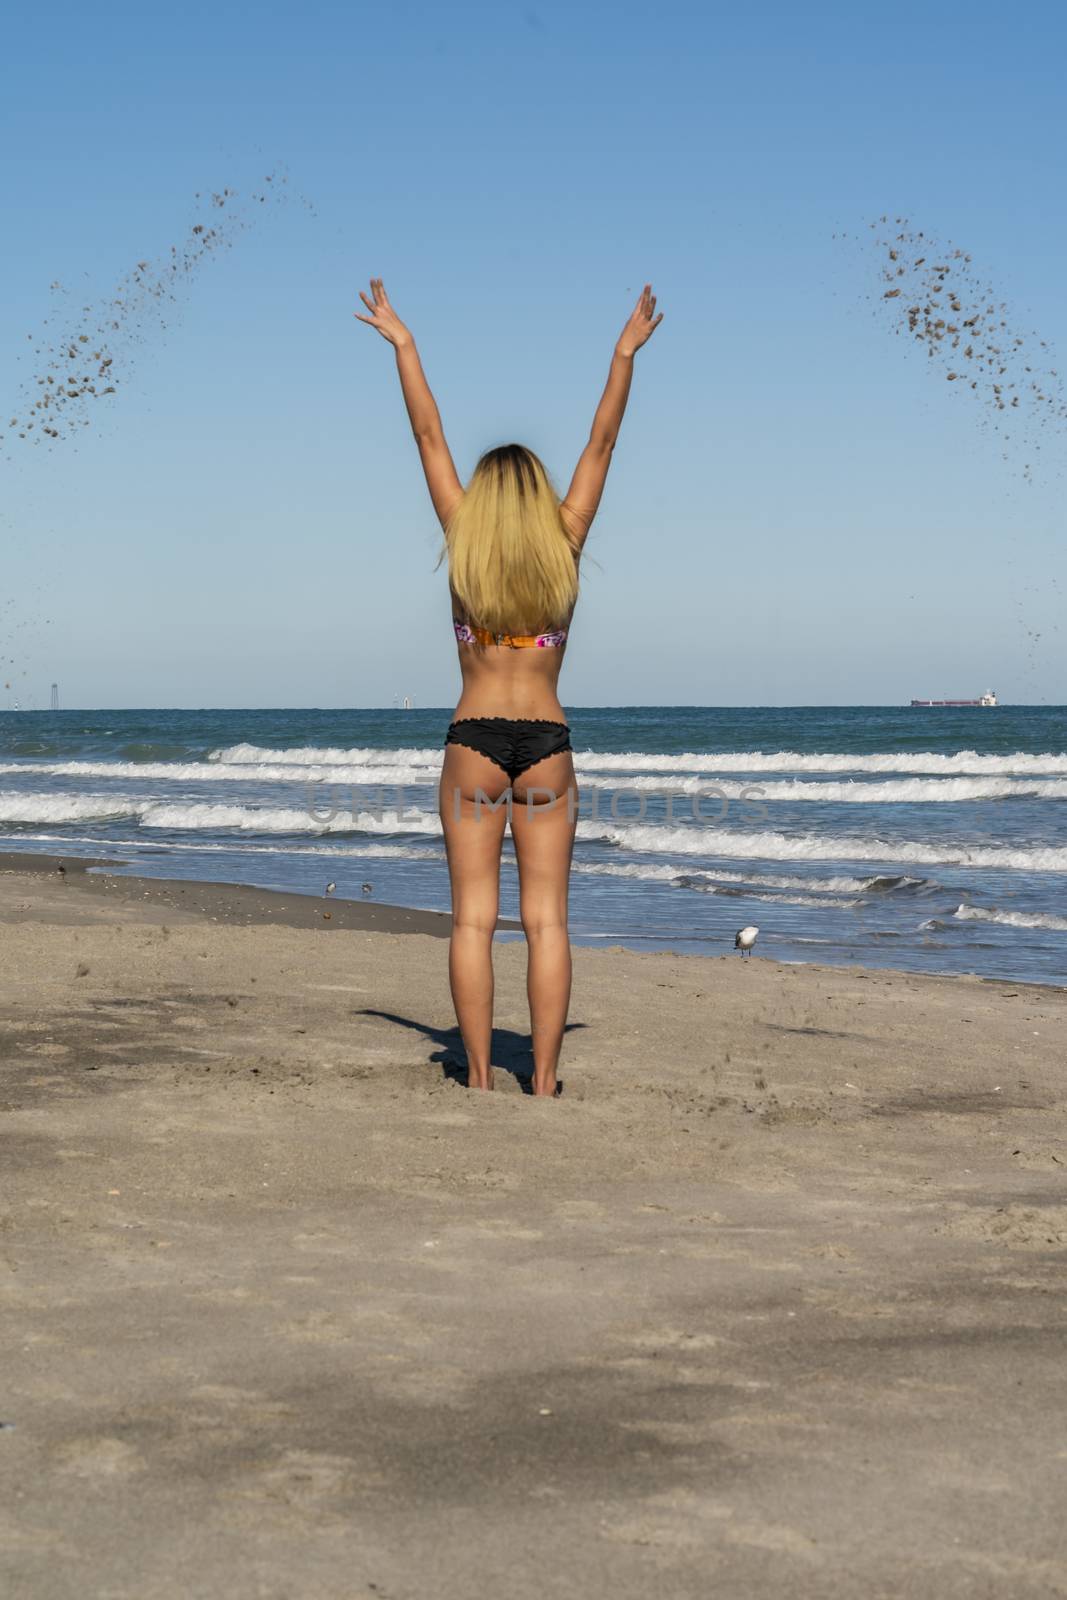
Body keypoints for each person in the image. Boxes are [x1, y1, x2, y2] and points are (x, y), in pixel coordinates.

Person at [355, 278, 662, 1094]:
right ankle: (546, 1078)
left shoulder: (463, 538)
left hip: (473, 744)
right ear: (537, 496)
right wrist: (622, 354)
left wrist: (405, 345)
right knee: (548, 922)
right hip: (548, 747)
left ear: (486, 500)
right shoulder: (564, 538)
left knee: (471, 921)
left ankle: (483, 1078)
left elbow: (427, 433)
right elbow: (601, 444)